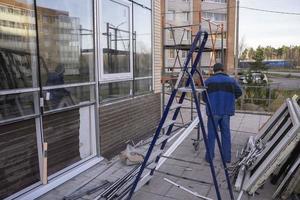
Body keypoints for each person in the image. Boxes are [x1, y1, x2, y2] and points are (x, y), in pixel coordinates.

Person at [204, 63, 242, 163]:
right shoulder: (231, 80)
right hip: (226, 111)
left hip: (213, 112)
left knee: (211, 135)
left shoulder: (208, 81)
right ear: (222, 69)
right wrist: (231, 98)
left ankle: (209, 157)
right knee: (226, 134)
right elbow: (239, 92)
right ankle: (226, 158)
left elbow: (203, 97)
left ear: (214, 70)